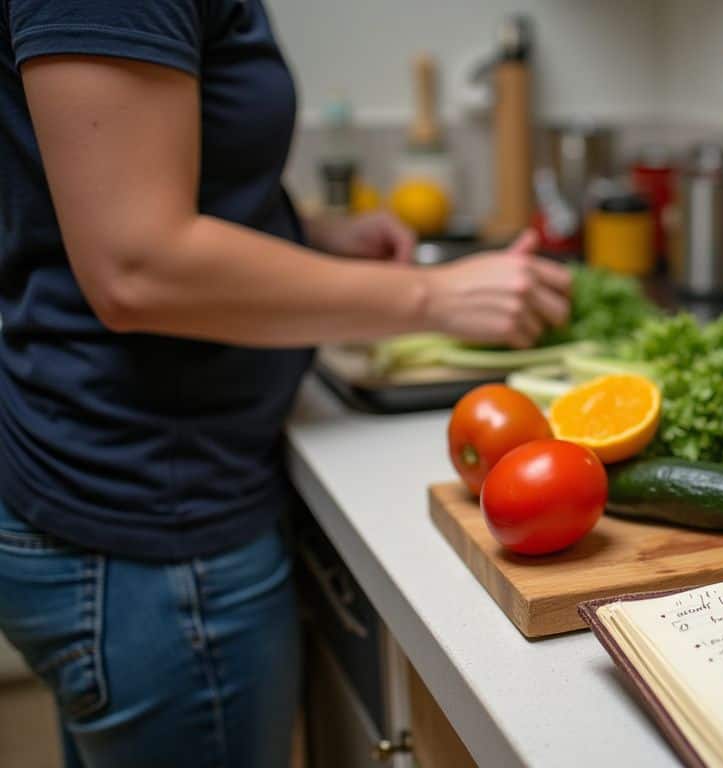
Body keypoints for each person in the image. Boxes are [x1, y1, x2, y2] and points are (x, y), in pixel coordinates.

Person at [0, 1, 572, 766]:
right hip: (150, 522)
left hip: (140, 494)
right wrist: (435, 298)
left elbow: (140, 175)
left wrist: (311, 236)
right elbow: (137, 267)